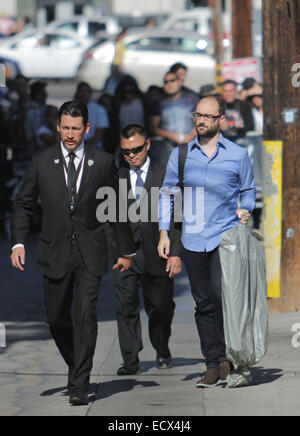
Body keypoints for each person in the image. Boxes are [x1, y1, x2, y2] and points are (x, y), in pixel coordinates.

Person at [10, 100, 136, 406]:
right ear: (58, 127)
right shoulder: (42, 161)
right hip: (54, 251)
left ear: (87, 129)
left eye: (75, 129)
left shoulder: (103, 162)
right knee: (56, 319)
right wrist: (18, 242)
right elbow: (23, 203)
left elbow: (118, 207)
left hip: (90, 251)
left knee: (85, 317)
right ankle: (76, 362)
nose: (70, 134)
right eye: (65, 127)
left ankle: (80, 383)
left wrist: (125, 251)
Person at [158, 95, 256, 388]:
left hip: (225, 237)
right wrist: (164, 232)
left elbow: (248, 190)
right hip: (192, 238)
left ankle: (229, 354)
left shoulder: (237, 155)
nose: (200, 121)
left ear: (221, 120)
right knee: (202, 304)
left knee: (219, 296)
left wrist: (245, 207)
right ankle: (213, 363)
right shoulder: (182, 154)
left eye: (207, 116)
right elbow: (167, 194)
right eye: (197, 115)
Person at [106, 124, 182, 375]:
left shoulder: (165, 175)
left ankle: (161, 346)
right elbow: (108, 219)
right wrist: (115, 251)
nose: (131, 155)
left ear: (147, 145)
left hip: (158, 252)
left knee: (160, 307)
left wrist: (175, 252)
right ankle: (130, 359)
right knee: (125, 305)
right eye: (126, 151)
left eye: (136, 149)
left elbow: (178, 217)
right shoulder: (116, 178)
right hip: (125, 254)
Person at [148, 70, 198, 165]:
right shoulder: (158, 102)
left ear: (179, 82)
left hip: (190, 148)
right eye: (166, 82)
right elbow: (152, 128)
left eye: (172, 80)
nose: (169, 84)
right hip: (166, 149)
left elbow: (200, 121)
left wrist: (191, 136)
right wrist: (172, 135)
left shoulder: (192, 99)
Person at [74, 82, 109, 150]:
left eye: (86, 91)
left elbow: (99, 135)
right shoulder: (69, 109)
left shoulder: (99, 110)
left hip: (94, 147)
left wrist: (81, 145)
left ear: (90, 94)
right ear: (77, 93)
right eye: (81, 91)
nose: (83, 94)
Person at [25, 81, 47, 153]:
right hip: (35, 150)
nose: (46, 95)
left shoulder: (39, 108)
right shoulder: (34, 111)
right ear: (38, 95)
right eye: (44, 93)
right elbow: (37, 133)